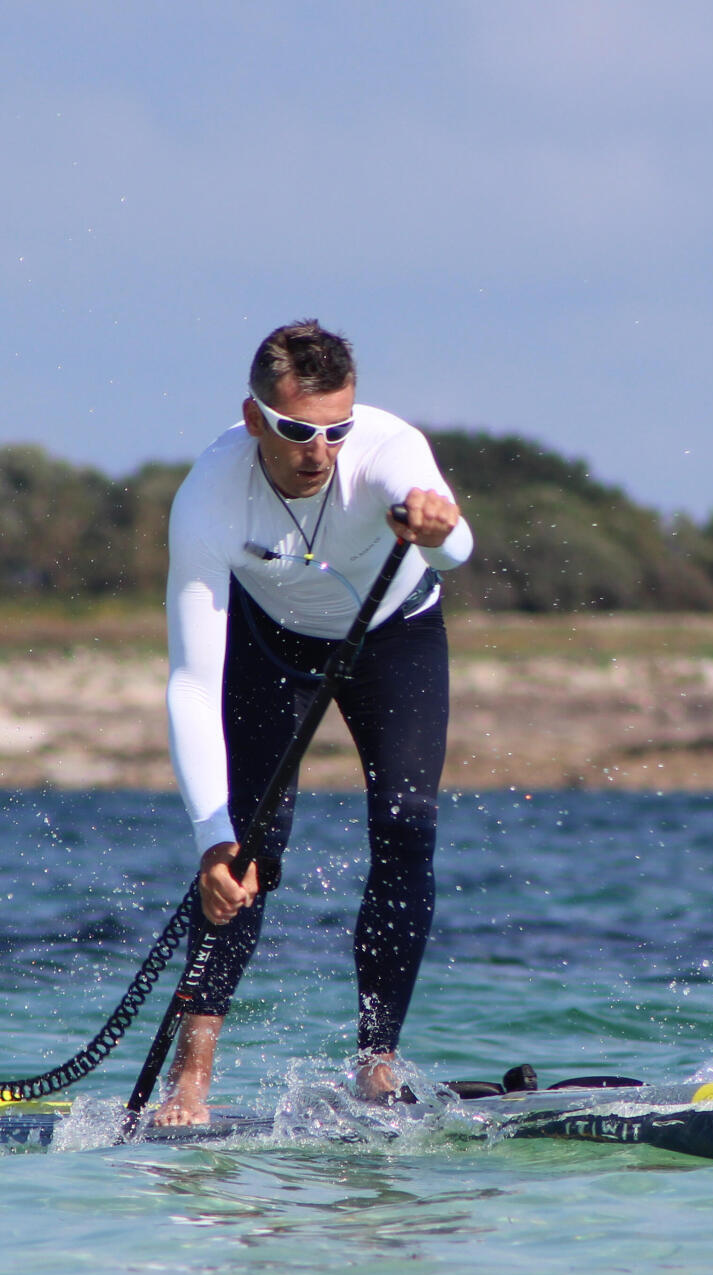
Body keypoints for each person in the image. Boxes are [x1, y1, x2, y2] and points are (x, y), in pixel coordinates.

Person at [152, 320, 472, 1126]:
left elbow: (458, 548)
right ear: (255, 417)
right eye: (297, 430)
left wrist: (437, 529)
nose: (318, 451)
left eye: (334, 430)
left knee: (406, 821)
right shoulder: (209, 497)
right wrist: (210, 838)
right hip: (271, 644)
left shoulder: (390, 451)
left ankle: (376, 1063)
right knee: (248, 855)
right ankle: (190, 1079)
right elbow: (191, 679)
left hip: (392, 633)